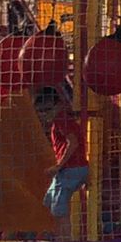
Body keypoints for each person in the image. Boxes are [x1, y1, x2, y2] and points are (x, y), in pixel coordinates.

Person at [33, 87, 89, 225]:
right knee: (50, 200)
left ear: (58, 106)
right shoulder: (60, 121)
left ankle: (64, 240)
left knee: (59, 207)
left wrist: (59, 166)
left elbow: (73, 142)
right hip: (72, 169)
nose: (44, 115)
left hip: (72, 169)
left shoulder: (61, 120)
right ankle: (59, 235)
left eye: (47, 110)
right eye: (40, 112)